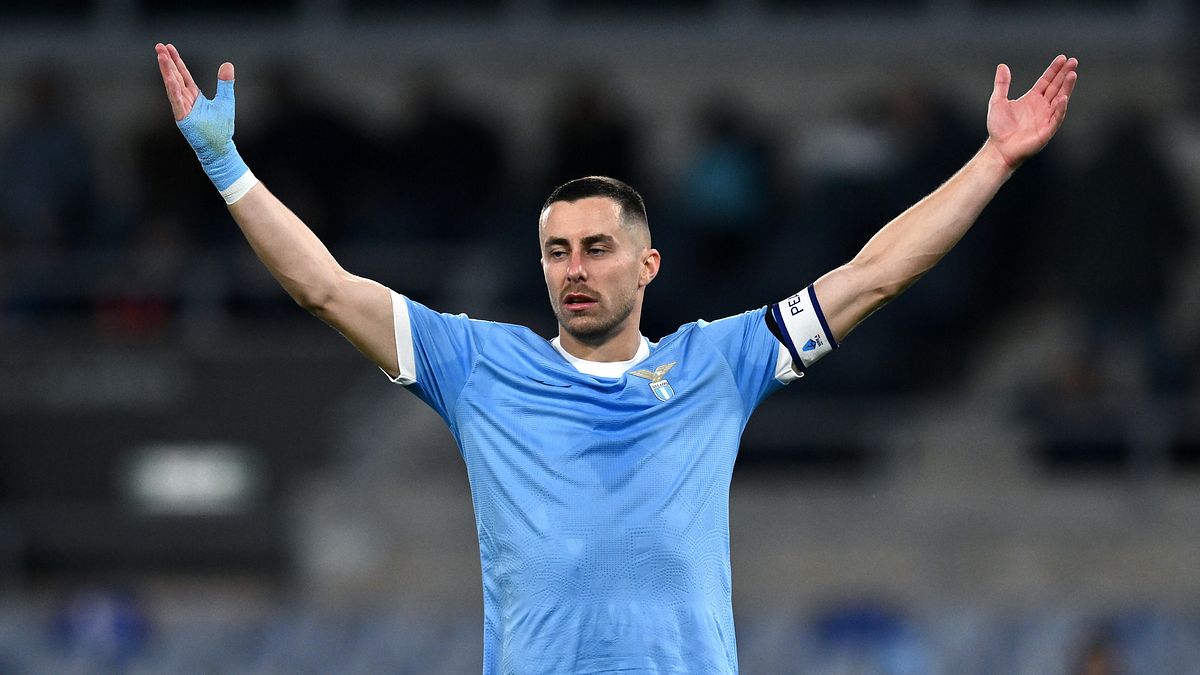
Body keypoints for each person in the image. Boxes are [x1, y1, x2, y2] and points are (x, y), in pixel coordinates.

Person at [154, 43, 1078, 674]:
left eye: (598, 248)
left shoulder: (719, 363)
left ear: (648, 265)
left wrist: (993, 162)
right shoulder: (477, 365)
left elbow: (875, 274)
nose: (575, 269)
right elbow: (325, 287)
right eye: (557, 251)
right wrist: (228, 168)